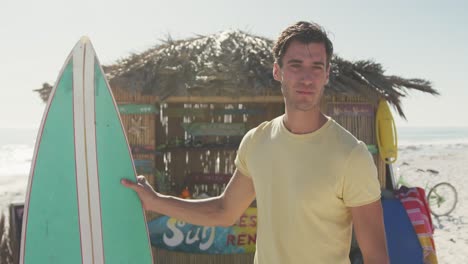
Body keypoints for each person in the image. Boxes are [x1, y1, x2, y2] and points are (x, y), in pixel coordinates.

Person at [121, 21, 389, 264]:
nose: (307, 78)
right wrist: (155, 201)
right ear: (277, 71)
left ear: (327, 74)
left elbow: (376, 256)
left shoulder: (351, 155)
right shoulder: (257, 141)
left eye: (316, 67)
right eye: (296, 65)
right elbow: (224, 211)